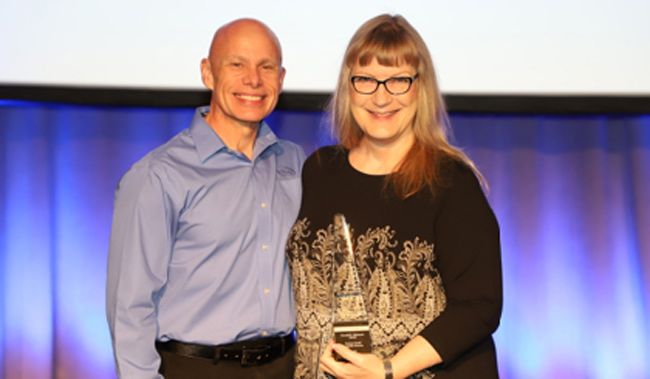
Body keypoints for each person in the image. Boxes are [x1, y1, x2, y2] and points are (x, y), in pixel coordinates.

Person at [285, 14, 502, 378]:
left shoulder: (449, 181)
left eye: (398, 80)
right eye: (366, 80)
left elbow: (478, 306)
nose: (381, 97)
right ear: (348, 86)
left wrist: (389, 370)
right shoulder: (320, 170)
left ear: (420, 87)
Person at [106, 18, 304, 378]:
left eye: (266, 67)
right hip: (195, 369)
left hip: (285, 366)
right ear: (207, 73)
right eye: (237, 64)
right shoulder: (157, 176)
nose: (254, 80)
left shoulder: (296, 162)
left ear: (281, 79)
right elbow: (129, 309)